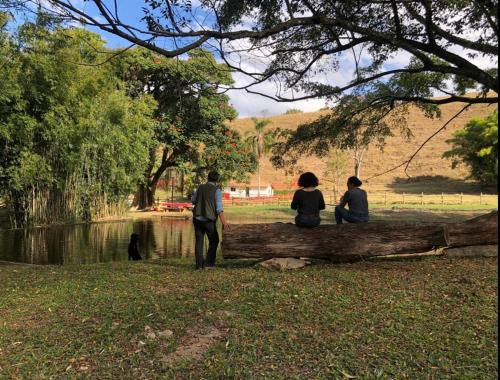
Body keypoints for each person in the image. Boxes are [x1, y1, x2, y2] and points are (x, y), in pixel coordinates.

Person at [191, 171, 229, 269]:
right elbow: (219, 209)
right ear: (217, 180)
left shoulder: (200, 187)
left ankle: (199, 265)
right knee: (214, 240)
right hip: (209, 220)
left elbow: (193, 201)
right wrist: (224, 223)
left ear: (207, 178)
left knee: (199, 241)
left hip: (197, 218)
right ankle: (209, 264)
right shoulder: (217, 191)